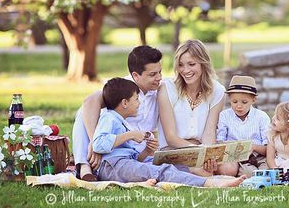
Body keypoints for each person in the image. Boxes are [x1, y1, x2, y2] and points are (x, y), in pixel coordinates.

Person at [93, 77, 246, 188]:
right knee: (161, 171)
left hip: (124, 164)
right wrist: (132, 134)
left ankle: (202, 176)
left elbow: (131, 158)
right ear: (125, 103)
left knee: (170, 165)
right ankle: (209, 183)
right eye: (136, 99)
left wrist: (147, 151)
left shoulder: (121, 121)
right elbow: (99, 144)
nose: (139, 103)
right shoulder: (109, 117)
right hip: (112, 167)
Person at [72, 45, 162, 181]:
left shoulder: (159, 89)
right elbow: (90, 101)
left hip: (135, 149)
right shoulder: (124, 87)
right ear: (136, 76)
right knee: (83, 112)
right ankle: (83, 165)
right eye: (153, 74)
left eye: (160, 72)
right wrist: (94, 142)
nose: (159, 78)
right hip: (112, 144)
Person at [157, 39, 226, 175]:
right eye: (181, 65)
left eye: (191, 64)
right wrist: (200, 151)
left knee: (227, 167)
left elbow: (209, 131)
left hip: (200, 148)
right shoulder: (167, 88)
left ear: (203, 63)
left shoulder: (217, 90)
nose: (185, 70)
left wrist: (208, 155)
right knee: (203, 171)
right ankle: (211, 180)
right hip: (172, 150)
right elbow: (171, 137)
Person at [216, 75, 270, 177]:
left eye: (244, 102)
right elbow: (220, 142)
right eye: (234, 102)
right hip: (238, 158)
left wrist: (252, 147)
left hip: (260, 156)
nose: (239, 106)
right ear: (229, 99)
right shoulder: (224, 116)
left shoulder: (262, 117)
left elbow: (268, 148)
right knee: (249, 173)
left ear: (253, 100)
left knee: (267, 171)